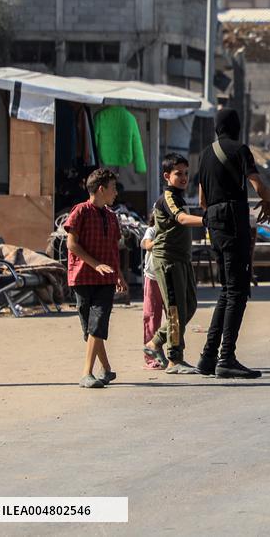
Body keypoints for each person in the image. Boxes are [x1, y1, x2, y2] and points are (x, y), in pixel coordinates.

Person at [196, 109, 270, 379]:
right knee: (238, 291)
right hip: (232, 220)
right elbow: (257, 183)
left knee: (227, 290)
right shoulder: (240, 149)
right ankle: (226, 357)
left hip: (214, 221)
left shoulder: (206, 154)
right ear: (237, 126)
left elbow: (201, 201)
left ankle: (208, 357)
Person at [65, 168, 128, 389]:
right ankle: (107, 369)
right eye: (113, 188)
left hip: (106, 281)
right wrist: (95, 264)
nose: (116, 193)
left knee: (98, 324)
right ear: (101, 189)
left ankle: (86, 374)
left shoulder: (112, 217)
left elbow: (113, 250)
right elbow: (71, 244)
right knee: (90, 329)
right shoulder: (80, 211)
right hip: (82, 278)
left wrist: (119, 275)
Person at [143, 153, 204, 374]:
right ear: (167, 176)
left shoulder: (180, 197)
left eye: (186, 173)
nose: (184, 177)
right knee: (176, 311)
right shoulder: (168, 198)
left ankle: (154, 342)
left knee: (190, 305)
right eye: (178, 173)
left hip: (182, 260)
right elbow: (181, 219)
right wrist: (208, 220)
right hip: (168, 260)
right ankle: (174, 359)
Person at [140, 216, 165, 370]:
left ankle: (173, 354)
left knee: (172, 316)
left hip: (168, 277)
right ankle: (151, 357)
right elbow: (147, 244)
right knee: (151, 317)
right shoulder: (153, 230)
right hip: (153, 278)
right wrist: (161, 240)